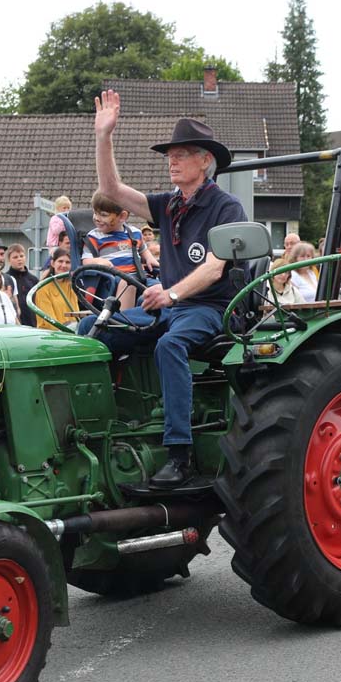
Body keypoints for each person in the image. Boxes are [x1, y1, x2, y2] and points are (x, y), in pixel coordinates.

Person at [85, 91, 245, 487]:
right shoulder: (168, 204)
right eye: (169, 155)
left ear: (204, 160)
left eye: (181, 153)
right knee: (92, 329)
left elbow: (213, 268)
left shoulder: (226, 208)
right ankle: (101, 433)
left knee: (170, 345)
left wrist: (171, 293)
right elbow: (112, 189)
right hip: (170, 308)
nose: (171, 160)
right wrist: (104, 137)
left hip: (210, 308)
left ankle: (179, 453)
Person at [82, 193, 161, 314]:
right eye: (95, 213)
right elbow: (85, 261)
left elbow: (143, 249)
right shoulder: (94, 237)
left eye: (103, 215)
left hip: (140, 276)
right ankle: (124, 319)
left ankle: (153, 319)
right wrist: (98, 261)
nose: (97, 218)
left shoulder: (134, 233)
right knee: (128, 283)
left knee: (160, 287)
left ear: (122, 216)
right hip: (112, 280)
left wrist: (149, 258)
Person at [33, 249, 79, 329]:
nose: (64, 265)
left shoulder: (71, 286)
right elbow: (50, 322)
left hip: (70, 334)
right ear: (53, 263)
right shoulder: (43, 289)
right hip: (52, 336)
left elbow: (75, 315)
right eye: (60, 261)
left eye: (67, 262)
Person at [4, 244, 40, 327]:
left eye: (21, 256)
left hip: (32, 323)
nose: (19, 259)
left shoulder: (33, 280)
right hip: (15, 323)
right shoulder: (6, 279)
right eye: (15, 257)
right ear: (9, 260)